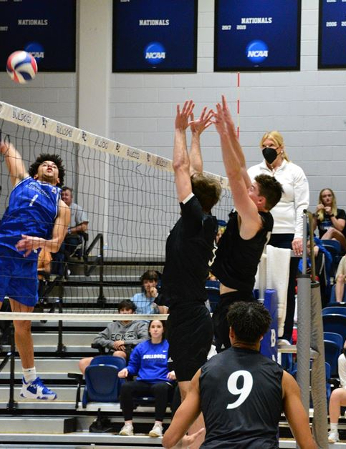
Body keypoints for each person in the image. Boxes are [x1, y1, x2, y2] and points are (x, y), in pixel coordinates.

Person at [0, 137, 71, 412]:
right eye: (45, 163)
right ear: (36, 172)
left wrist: (38, 242)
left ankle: (30, 382)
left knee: (23, 323)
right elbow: (15, 159)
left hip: (26, 261)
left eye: (54, 166)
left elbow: (55, 245)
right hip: (0, 251)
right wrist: (7, 148)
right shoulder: (22, 181)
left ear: (57, 178)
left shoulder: (61, 204)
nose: (49, 165)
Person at [162, 301, 316, 449]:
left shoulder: (204, 372)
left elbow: (169, 440)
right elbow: (307, 444)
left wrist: (182, 442)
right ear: (262, 335)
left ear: (231, 332)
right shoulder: (283, 378)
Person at [163, 101, 220, 446]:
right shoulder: (205, 219)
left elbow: (181, 167)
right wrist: (197, 136)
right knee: (190, 385)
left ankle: (199, 440)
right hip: (191, 312)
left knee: (189, 386)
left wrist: (179, 129)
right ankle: (198, 439)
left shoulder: (195, 219)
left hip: (188, 314)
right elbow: (195, 174)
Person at [211, 96, 283, 352]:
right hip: (236, 298)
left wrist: (220, 134)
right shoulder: (261, 215)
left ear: (260, 200)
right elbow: (241, 166)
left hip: (234, 304)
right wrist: (230, 129)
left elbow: (233, 175)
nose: (247, 188)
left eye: (252, 189)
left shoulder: (254, 218)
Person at [248, 129, 309, 344]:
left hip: (287, 234)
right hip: (260, 232)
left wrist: (299, 236)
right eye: (264, 145)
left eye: (271, 146)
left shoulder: (294, 172)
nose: (267, 149)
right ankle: (256, 331)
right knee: (258, 282)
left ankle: (282, 333)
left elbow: (301, 205)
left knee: (285, 282)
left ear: (281, 148)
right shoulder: (254, 171)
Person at [118, 319, 176, 438]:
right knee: (126, 387)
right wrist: (127, 370)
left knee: (160, 388)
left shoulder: (170, 346)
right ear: (149, 330)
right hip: (144, 382)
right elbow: (133, 366)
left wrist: (175, 371)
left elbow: (177, 363)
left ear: (163, 329)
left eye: (158, 326)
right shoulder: (141, 347)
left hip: (162, 382)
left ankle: (158, 426)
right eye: (153, 326)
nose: (155, 329)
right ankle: (128, 425)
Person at [78, 299, 149, 373]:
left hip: (132, 355)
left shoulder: (140, 325)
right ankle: (97, 383)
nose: (124, 312)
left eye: (127, 310)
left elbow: (145, 339)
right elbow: (97, 338)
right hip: (112, 354)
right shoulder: (112, 326)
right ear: (118, 313)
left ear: (133, 312)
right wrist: (112, 344)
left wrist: (125, 342)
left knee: (118, 354)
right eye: (122, 310)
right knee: (83, 362)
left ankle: (118, 382)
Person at [60, 186, 89, 258]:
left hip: (72, 236)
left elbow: (84, 226)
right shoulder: (56, 208)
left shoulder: (77, 209)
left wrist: (68, 231)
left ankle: (65, 264)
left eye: (66, 195)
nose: (64, 197)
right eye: (62, 195)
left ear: (71, 197)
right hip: (58, 236)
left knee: (70, 244)